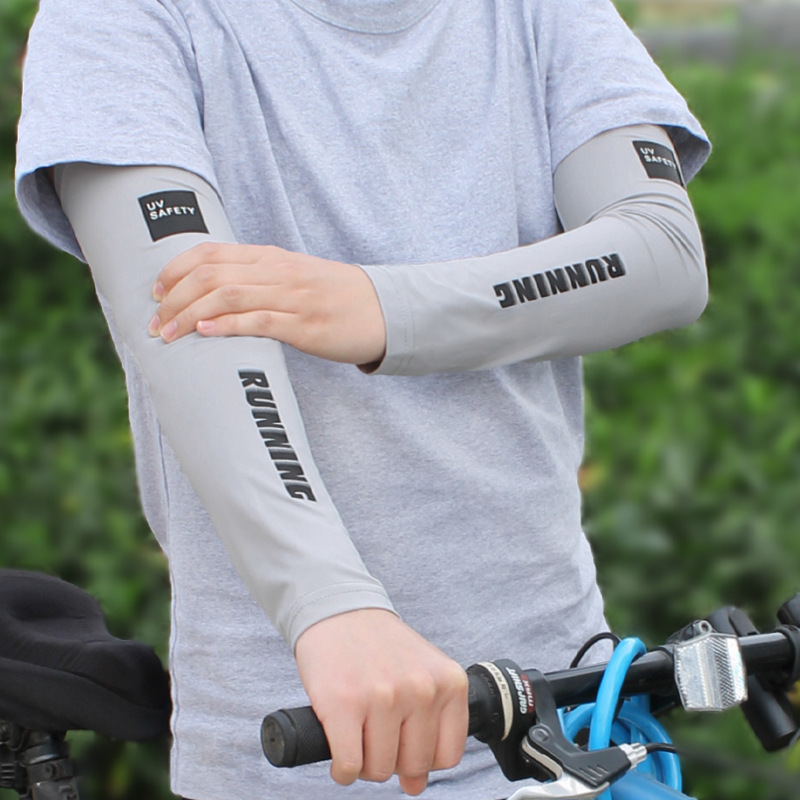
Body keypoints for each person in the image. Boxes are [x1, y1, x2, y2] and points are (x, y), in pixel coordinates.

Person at [15, 1, 710, 798]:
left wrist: (380, 306)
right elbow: (194, 322)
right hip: (310, 735)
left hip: (568, 708)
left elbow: (661, 252)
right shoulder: (121, 15)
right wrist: (331, 606)